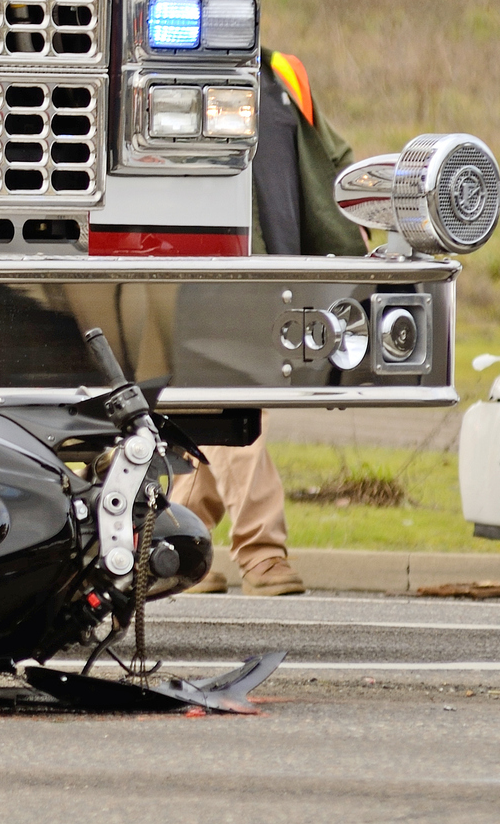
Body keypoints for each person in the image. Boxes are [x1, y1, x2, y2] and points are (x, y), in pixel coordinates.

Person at [175, 48, 367, 596]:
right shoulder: (164, 70)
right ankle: (261, 553)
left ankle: (166, 546)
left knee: (220, 411)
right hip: (203, 273)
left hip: (273, 272)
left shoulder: (281, 73)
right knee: (231, 404)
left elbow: (330, 157)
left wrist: (357, 225)